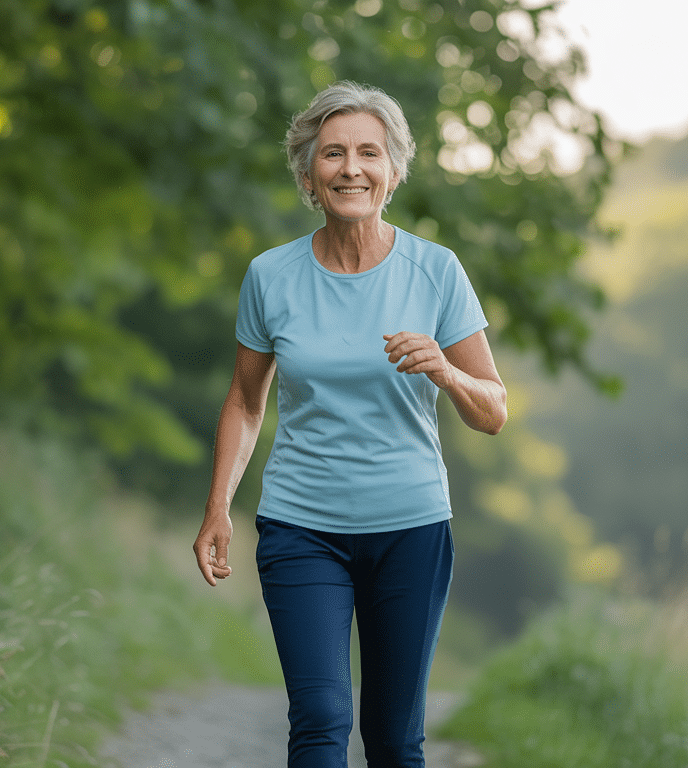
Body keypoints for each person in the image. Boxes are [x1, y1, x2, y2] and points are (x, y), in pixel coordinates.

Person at [193, 80, 507, 768]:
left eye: (370, 153)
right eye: (332, 154)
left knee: (395, 739)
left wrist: (446, 373)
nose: (351, 168)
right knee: (321, 719)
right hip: (301, 526)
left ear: (394, 172)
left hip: (411, 529)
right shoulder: (270, 277)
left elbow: (494, 410)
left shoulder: (437, 272)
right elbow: (246, 404)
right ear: (309, 174)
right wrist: (219, 507)